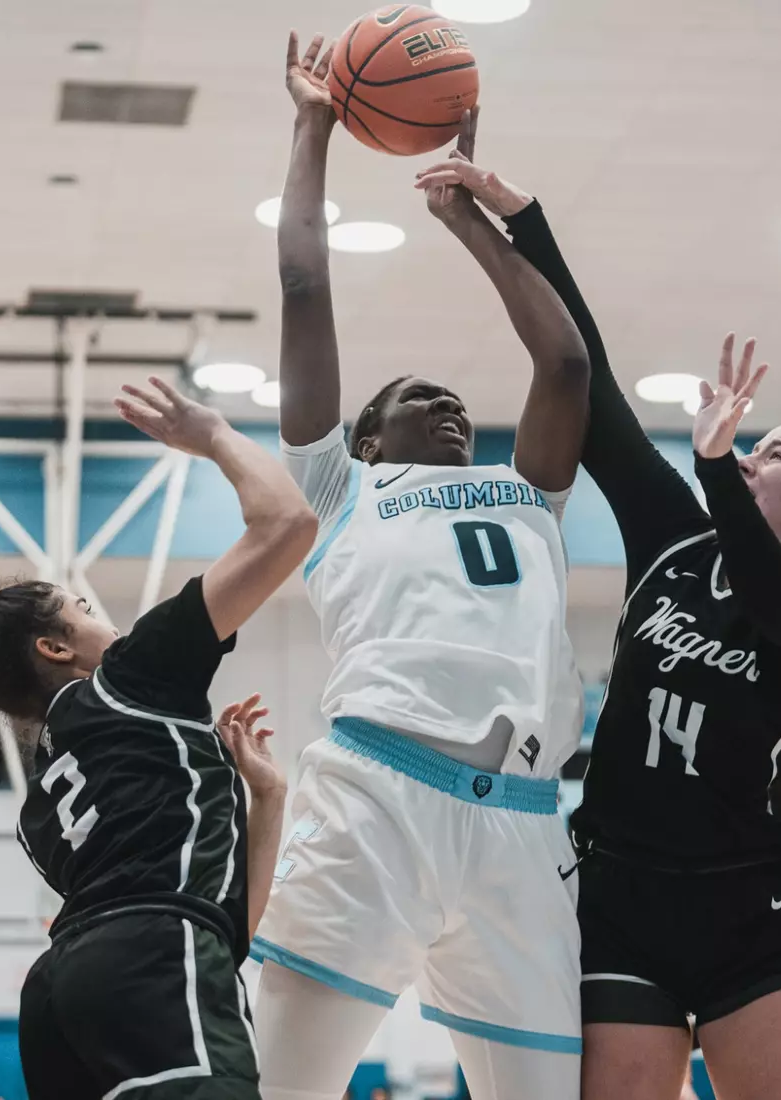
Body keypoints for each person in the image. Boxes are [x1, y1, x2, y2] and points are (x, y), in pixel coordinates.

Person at [410, 155, 781, 1100]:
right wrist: (514, 222)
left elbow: (774, 604)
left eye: (774, 454)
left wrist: (720, 468)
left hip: (749, 903)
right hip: (623, 892)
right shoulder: (676, 545)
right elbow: (585, 380)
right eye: (752, 451)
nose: (752, 456)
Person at [249, 33, 592, 1100]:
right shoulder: (339, 489)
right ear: (363, 436)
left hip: (526, 821)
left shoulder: (528, 494)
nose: (446, 402)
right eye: (414, 395)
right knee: (274, 1088)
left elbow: (569, 359)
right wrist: (312, 129)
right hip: (379, 798)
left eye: (453, 397)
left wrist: (470, 223)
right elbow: (305, 278)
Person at [0, 377, 318, 1100]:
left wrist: (267, 798)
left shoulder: (41, 811)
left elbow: (227, 926)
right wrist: (213, 435)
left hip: (61, 993)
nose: (104, 615)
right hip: (150, 963)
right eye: (84, 606)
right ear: (56, 649)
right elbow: (287, 524)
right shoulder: (132, 673)